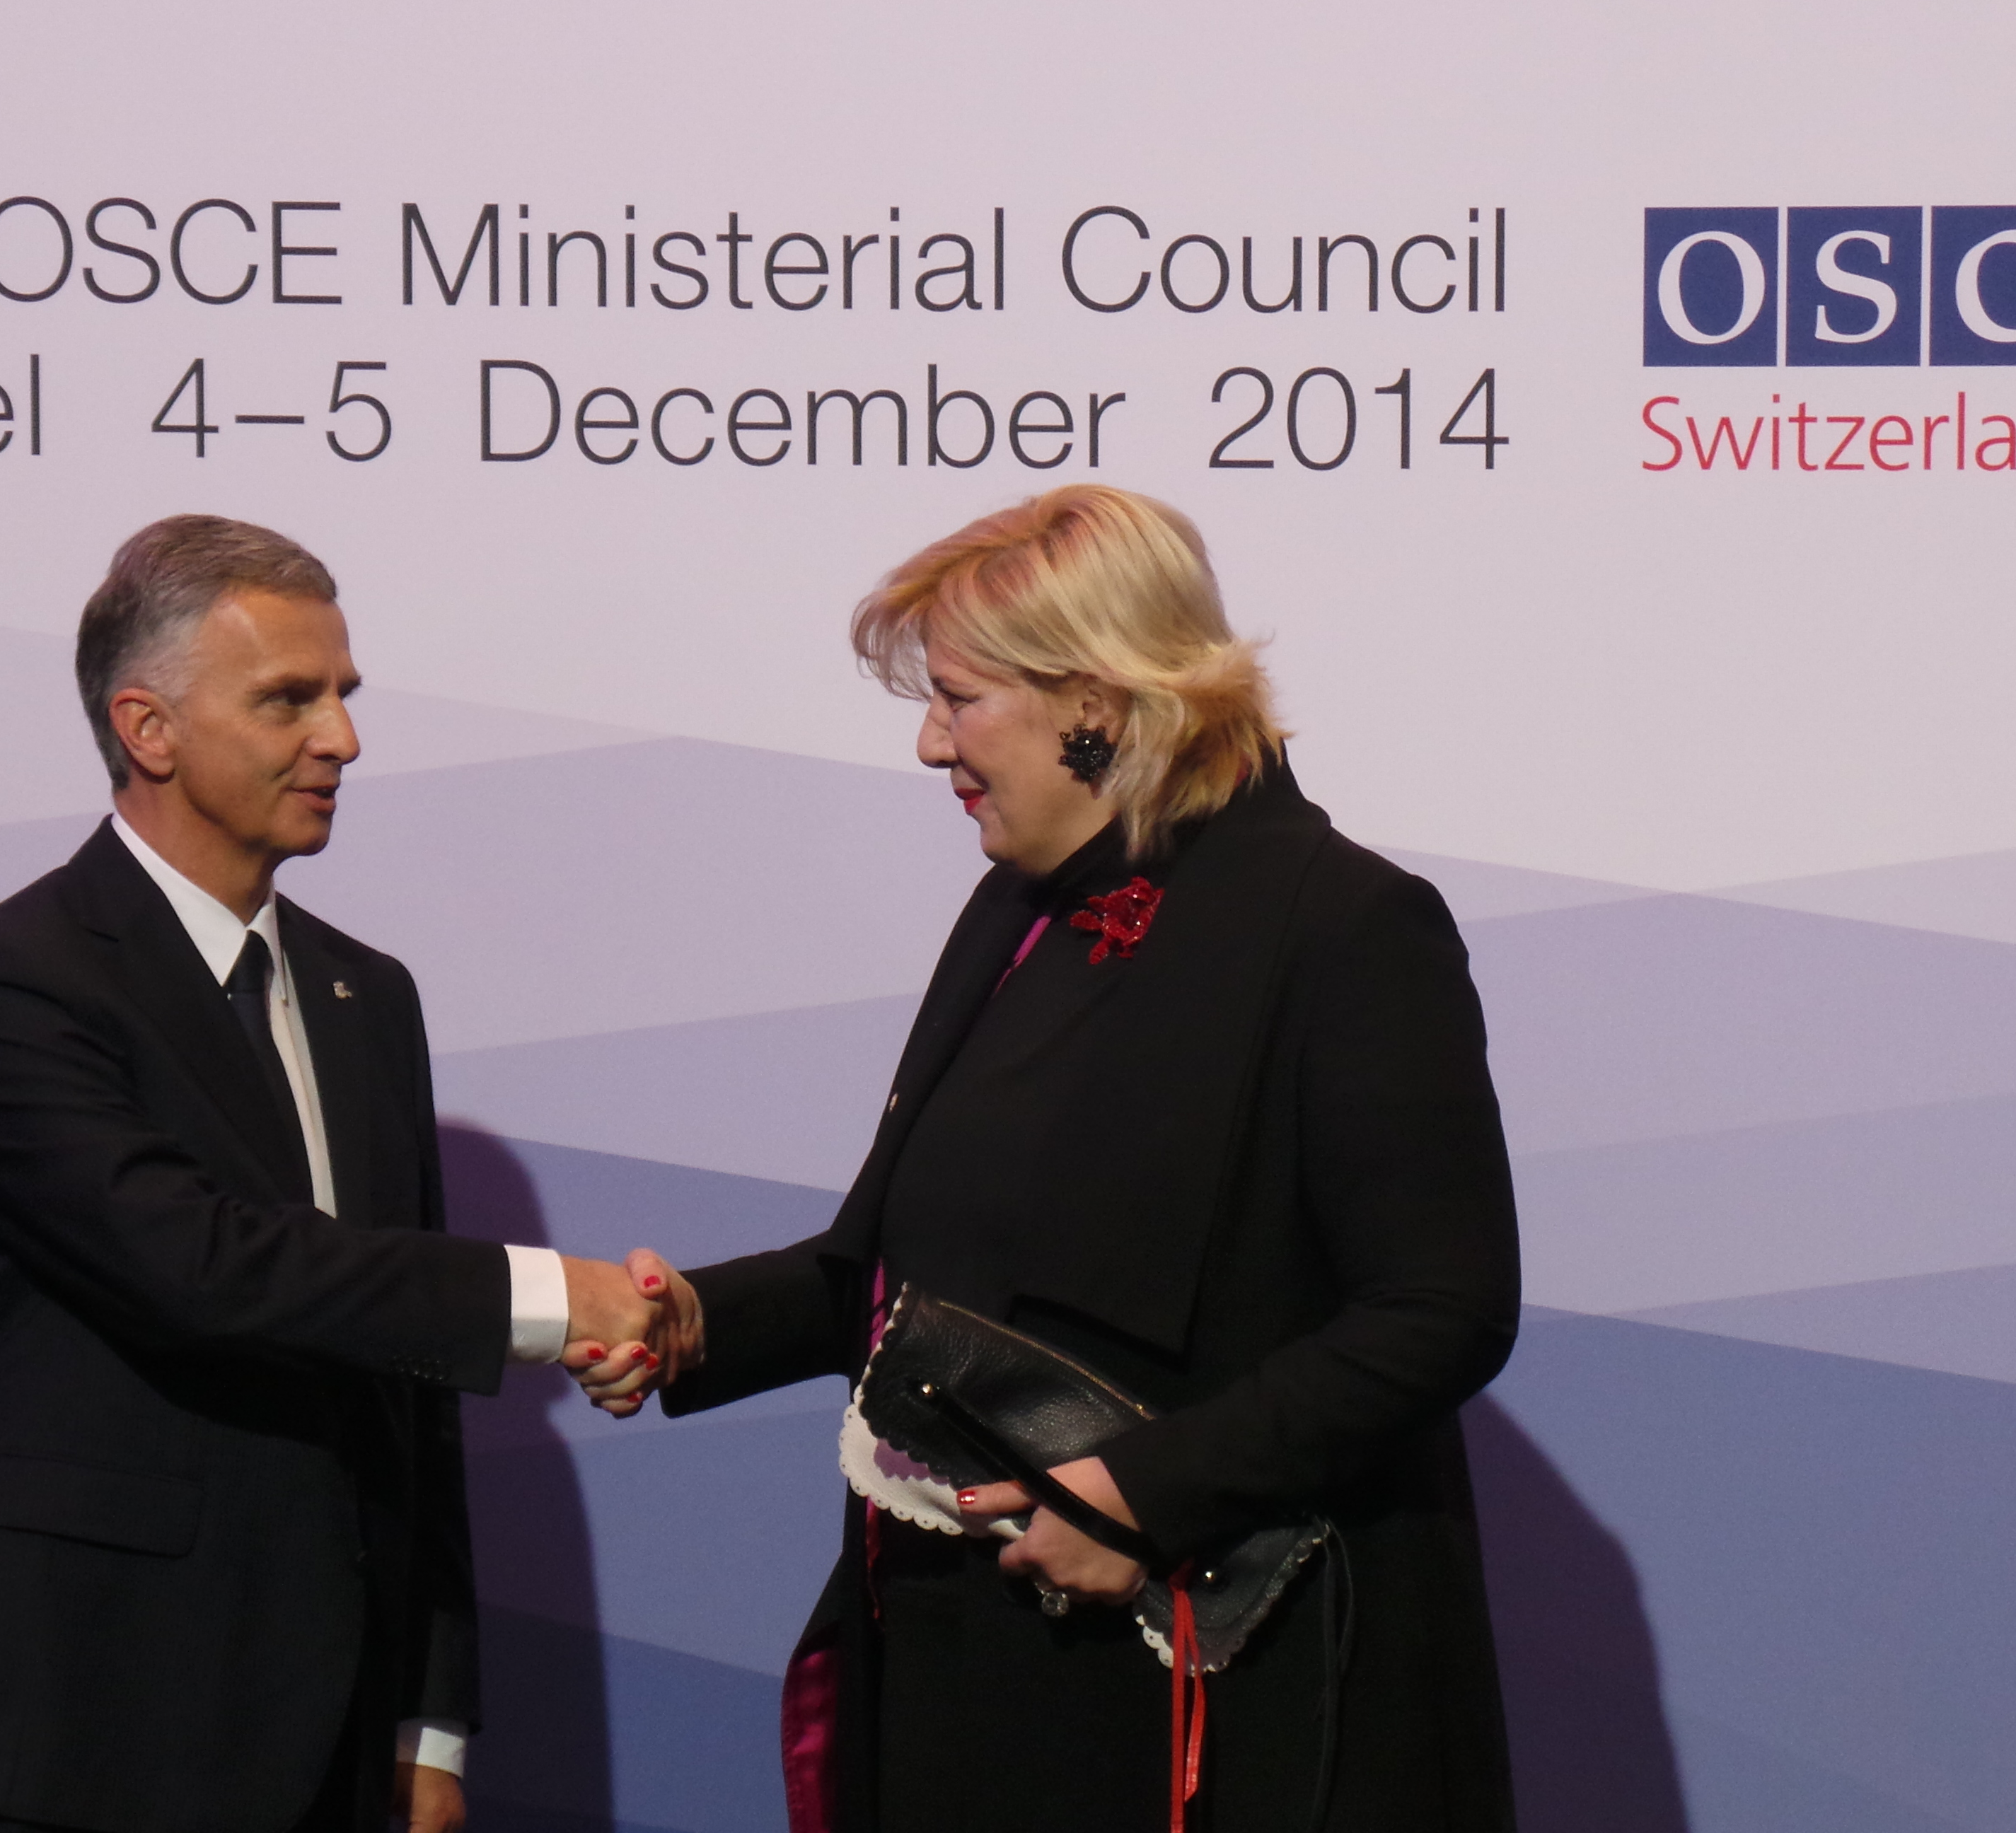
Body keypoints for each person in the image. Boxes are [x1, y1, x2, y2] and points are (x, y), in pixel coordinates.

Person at [586, 485, 1522, 1832]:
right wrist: (693, 1325)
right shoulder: (1016, 909)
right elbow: (888, 1267)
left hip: (1213, 1693)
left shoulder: (1350, 928)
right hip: (978, 1678)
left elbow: (1441, 1311)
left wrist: (1143, 1497)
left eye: (959, 698)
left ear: (1098, 698)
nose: (928, 745)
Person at [0, 516, 678, 1833]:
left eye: (343, 697)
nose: (342, 738)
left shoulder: (365, 995)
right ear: (148, 728)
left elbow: (399, 1380)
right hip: (64, 1722)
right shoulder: (11, 980)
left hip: (323, 1738)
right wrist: (558, 1301)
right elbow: (196, 1263)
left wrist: (428, 1723)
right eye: (290, 699)